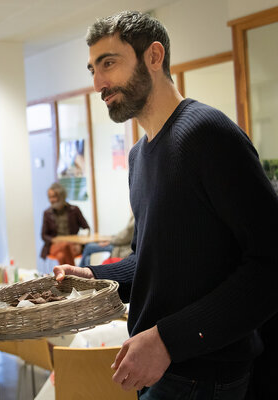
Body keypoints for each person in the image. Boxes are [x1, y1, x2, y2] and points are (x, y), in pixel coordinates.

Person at [53, 11, 278, 399]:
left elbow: (270, 264)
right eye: (93, 68)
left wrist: (168, 340)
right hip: (160, 370)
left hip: (206, 376)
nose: (97, 83)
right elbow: (157, 257)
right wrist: (98, 277)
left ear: (154, 57)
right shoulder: (139, 157)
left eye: (109, 63)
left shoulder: (208, 134)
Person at [41, 182, 90, 266]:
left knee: (61, 256)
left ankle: (68, 277)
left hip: (73, 245)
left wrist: (80, 243)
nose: (51, 200)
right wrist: (54, 240)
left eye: (54, 197)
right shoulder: (47, 213)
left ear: (62, 196)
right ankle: (75, 274)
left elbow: (86, 228)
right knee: (64, 245)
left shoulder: (74, 210)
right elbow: (44, 235)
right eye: (49, 197)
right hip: (55, 245)